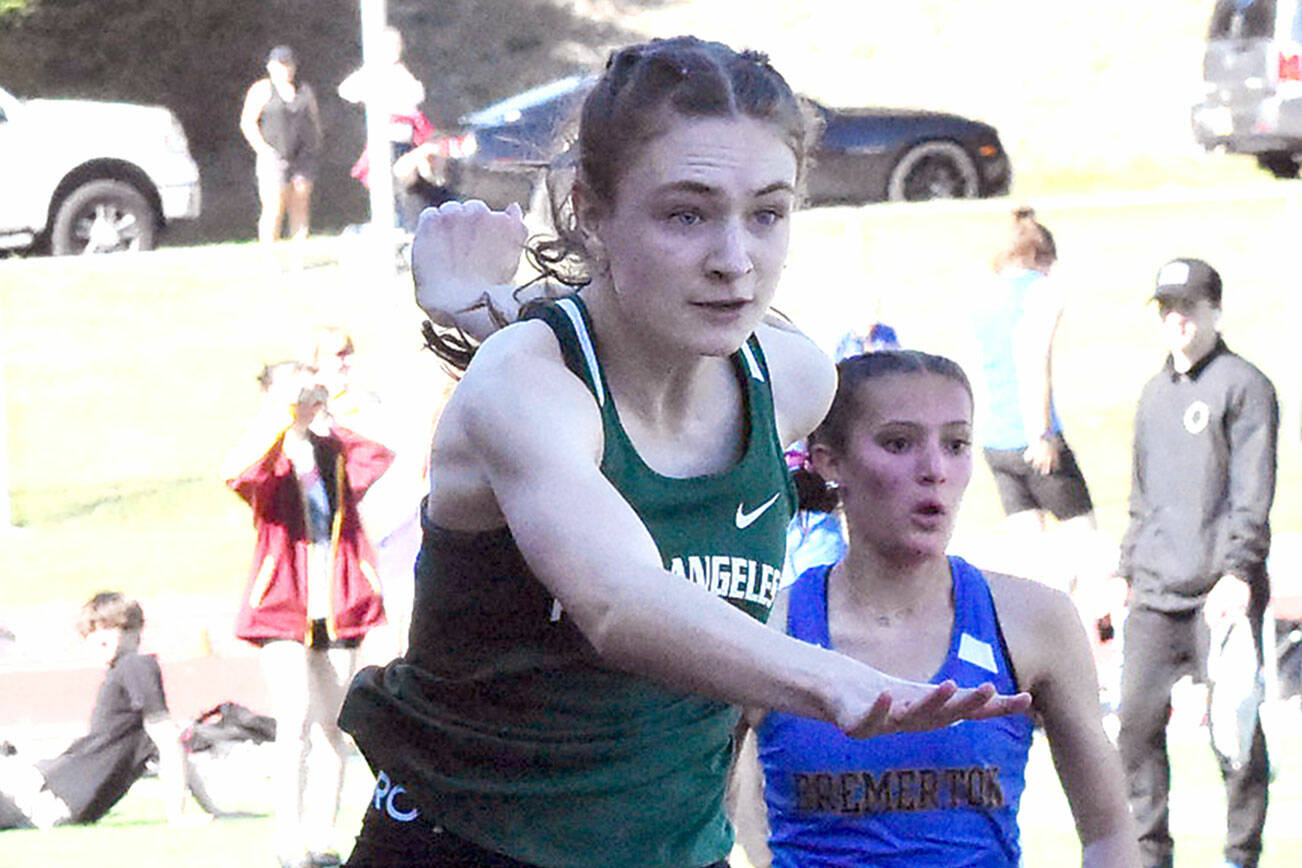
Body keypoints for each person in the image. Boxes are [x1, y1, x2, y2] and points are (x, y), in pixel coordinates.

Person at [337, 36, 1029, 868]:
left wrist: (497, 300)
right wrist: (835, 680)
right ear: (591, 209)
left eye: (767, 214)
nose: (735, 262)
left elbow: (632, 326)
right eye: (686, 214)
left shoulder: (793, 380)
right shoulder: (522, 386)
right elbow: (622, 603)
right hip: (468, 848)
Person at [728, 350, 1139, 868]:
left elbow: (1108, 832)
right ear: (830, 460)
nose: (934, 470)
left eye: (956, 444)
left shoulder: (1034, 621)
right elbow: (704, 821)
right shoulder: (767, 628)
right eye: (898, 443)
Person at [1117, 258, 1278, 868]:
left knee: (1232, 733)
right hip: (1156, 590)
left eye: (1188, 306)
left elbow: (1251, 491)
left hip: (1220, 591)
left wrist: (1239, 571)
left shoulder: (1245, 386)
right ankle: (1149, 854)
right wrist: (1125, 572)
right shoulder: (1154, 395)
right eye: (1166, 307)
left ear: (1215, 310)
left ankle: (1242, 855)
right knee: (1133, 727)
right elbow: (1141, 497)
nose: (1176, 318)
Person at [222, 360, 393, 868]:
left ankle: (322, 838)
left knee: (333, 724)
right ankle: (288, 839)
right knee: (292, 717)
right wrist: (284, 419)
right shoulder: (269, 453)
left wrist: (331, 405)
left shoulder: (332, 449)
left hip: (336, 600)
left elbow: (379, 453)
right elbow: (236, 473)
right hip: (284, 600)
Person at [0, 593, 221, 830]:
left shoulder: (134, 666)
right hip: (43, 790)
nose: (100, 639)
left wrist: (185, 813)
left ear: (135, 629)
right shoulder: (129, 673)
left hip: (48, 797)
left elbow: (170, 742)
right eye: (91, 632)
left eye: (112, 627)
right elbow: (171, 743)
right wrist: (202, 810)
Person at [240, 45, 324, 256]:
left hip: (303, 155)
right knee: (274, 206)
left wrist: (315, 146)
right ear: (270, 67)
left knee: (300, 204)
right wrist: (262, 149)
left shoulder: (304, 90)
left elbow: (315, 120)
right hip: (274, 155)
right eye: (279, 65)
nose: (285, 69)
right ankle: (270, 259)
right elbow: (248, 122)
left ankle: (299, 259)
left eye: (288, 64)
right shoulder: (262, 90)